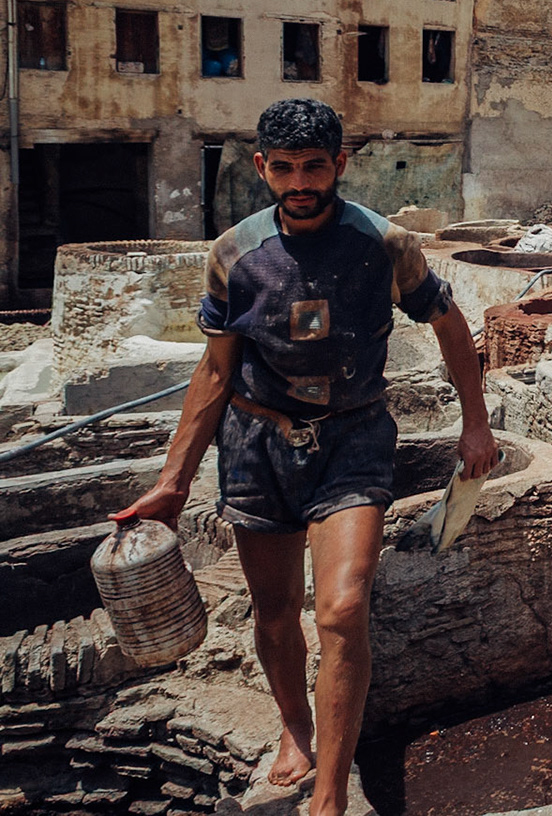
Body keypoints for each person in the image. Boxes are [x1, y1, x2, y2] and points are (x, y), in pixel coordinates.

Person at [114, 99, 497, 816]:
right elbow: (215, 373)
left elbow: (449, 325)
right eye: (283, 168)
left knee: (343, 609)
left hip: (353, 439)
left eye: (314, 166)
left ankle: (329, 797)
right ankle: (296, 728)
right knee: (275, 610)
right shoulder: (233, 254)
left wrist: (474, 424)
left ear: (340, 164)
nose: (299, 181)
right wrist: (173, 482)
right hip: (257, 446)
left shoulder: (385, 245)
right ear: (262, 167)